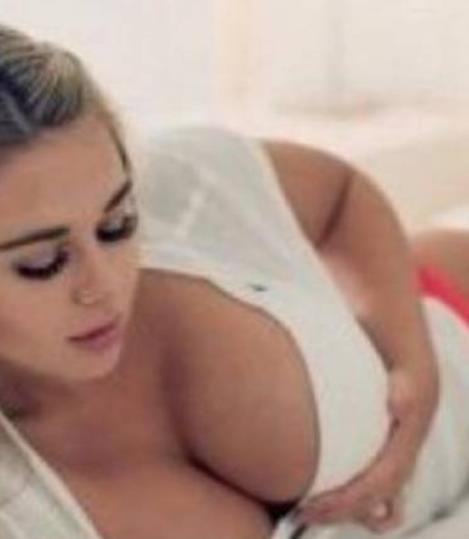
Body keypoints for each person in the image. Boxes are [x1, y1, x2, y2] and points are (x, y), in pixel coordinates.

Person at [0, 22, 466, 539]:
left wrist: (414, 365)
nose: (104, 285)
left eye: (117, 225)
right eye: (42, 262)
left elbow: (339, 197)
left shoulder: (174, 185)